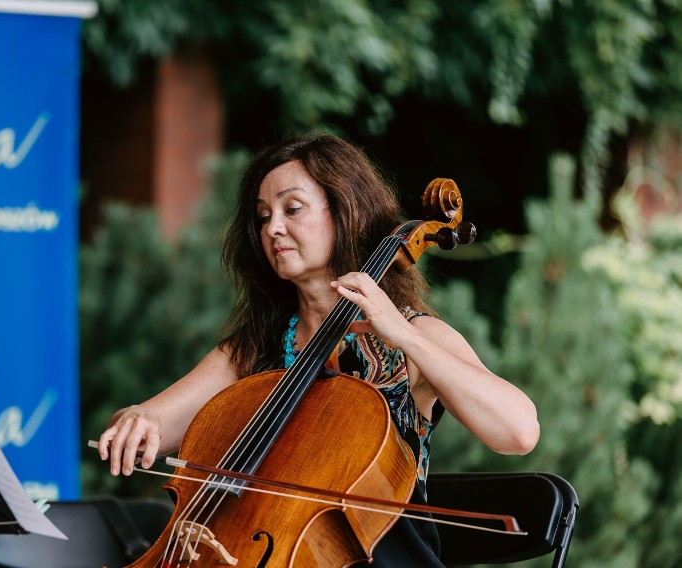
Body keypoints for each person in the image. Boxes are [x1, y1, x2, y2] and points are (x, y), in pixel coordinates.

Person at [96, 133, 540, 566]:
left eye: (292, 209)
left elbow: (518, 432)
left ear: (346, 214)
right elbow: (152, 422)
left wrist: (405, 335)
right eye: (263, 215)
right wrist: (137, 421)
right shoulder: (253, 350)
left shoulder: (414, 338)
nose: (273, 227)